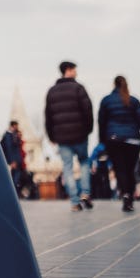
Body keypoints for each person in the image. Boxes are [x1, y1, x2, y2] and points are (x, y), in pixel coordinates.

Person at [97, 76, 140, 212]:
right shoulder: (133, 101)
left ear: (114, 84)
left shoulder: (106, 101)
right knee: (130, 170)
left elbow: (101, 123)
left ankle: (126, 195)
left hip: (114, 140)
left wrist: (102, 142)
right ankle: (130, 197)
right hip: (133, 140)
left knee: (120, 170)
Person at [45, 61, 95, 212]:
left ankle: (74, 201)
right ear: (68, 70)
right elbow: (88, 110)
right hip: (80, 134)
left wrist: (52, 136)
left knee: (68, 168)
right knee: (84, 162)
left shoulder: (52, 91)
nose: (76, 72)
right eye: (74, 70)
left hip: (62, 138)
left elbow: (48, 116)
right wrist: (88, 129)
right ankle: (85, 193)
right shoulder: (78, 88)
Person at [0, 121, 27, 198]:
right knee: (16, 177)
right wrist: (12, 161)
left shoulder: (13, 135)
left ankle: (16, 193)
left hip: (17, 160)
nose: (17, 128)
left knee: (17, 177)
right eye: (16, 126)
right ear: (13, 126)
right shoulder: (8, 136)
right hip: (15, 160)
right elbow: (10, 149)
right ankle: (15, 194)